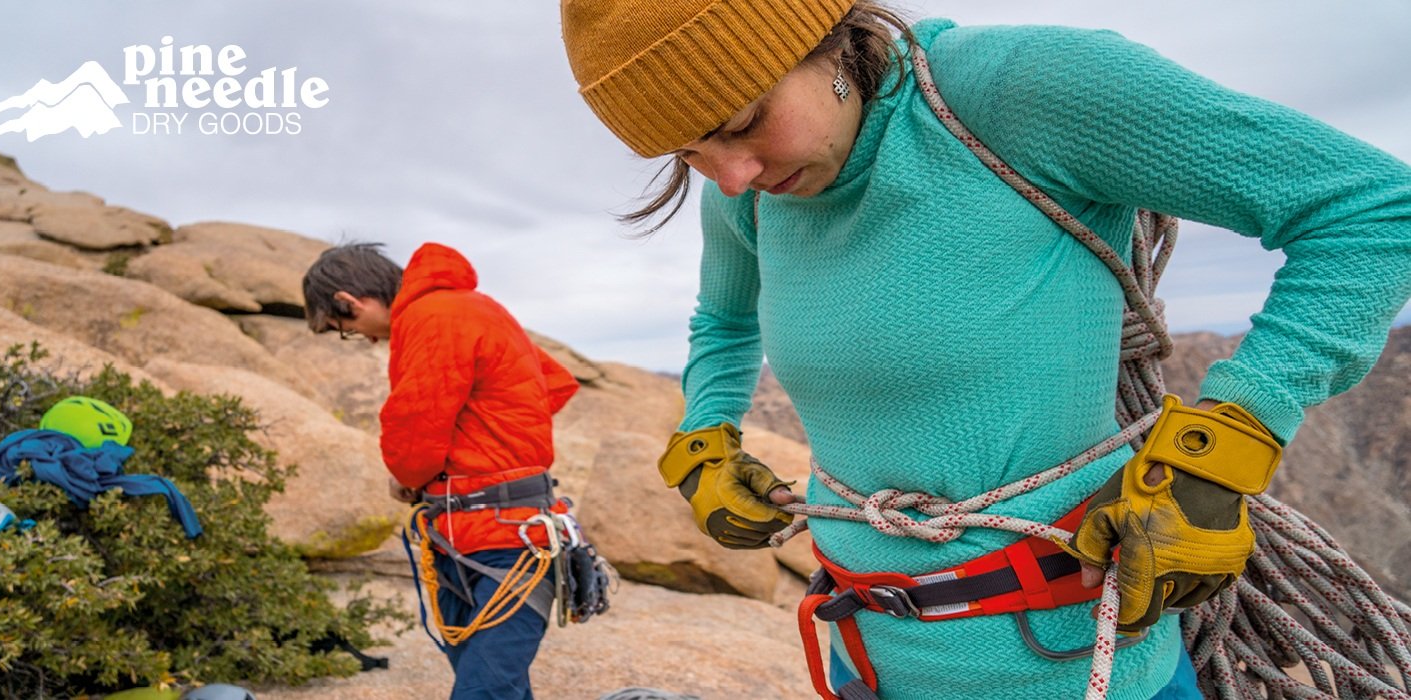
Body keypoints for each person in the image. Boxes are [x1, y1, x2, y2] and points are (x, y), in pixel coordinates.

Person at [559, 2, 1411, 699]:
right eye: (687, 153)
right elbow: (723, 321)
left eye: (741, 123)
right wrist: (705, 436)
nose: (731, 175)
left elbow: (1371, 209)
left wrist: (1221, 448)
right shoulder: (745, 197)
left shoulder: (1015, 93)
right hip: (866, 660)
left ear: (818, 37)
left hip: (1082, 667)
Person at [302, 241, 579, 700]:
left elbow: (415, 425)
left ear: (349, 300)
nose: (365, 339)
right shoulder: (470, 308)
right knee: (495, 685)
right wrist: (483, 445)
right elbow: (553, 380)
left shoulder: (432, 316)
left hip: (501, 538)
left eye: (345, 328)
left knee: (484, 690)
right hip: (478, 532)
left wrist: (415, 476)